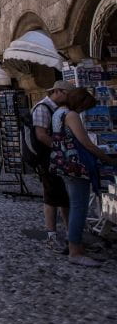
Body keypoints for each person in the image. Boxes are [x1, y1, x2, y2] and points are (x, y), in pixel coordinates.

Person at [49, 87, 117, 267]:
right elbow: (86, 143)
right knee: (79, 208)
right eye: (84, 107)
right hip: (76, 166)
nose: (83, 111)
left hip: (64, 164)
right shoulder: (71, 115)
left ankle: (76, 245)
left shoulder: (58, 113)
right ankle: (75, 251)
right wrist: (108, 159)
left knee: (75, 206)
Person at [32, 80, 73, 252]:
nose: (69, 99)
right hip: (47, 159)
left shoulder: (57, 108)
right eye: (67, 95)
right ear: (57, 92)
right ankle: (51, 237)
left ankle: (72, 235)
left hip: (57, 158)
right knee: (51, 197)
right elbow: (41, 135)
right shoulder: (43, 108)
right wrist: (60, 151)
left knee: (64, 197)